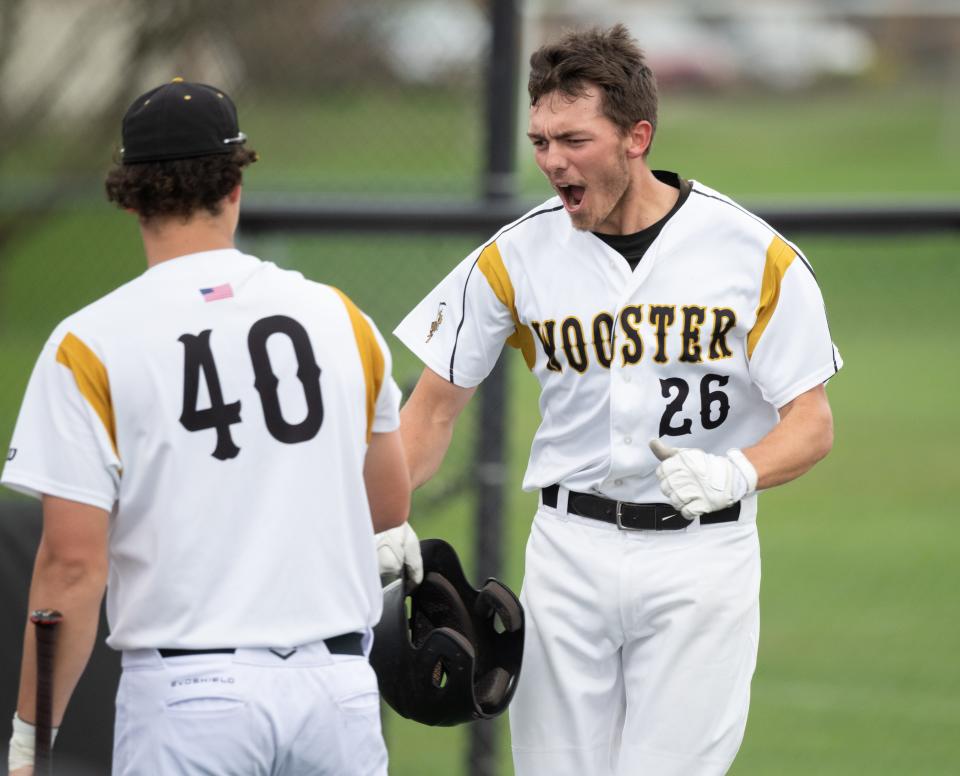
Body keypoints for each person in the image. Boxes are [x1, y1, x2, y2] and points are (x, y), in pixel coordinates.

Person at [390, 24, 841, 776]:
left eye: (573, 139)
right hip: (570, 552)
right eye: (539, 141)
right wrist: (383, 516)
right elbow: (432, 409)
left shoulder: (752, 253)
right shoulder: (515, 255)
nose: (552, 161)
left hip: (703, 558)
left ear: (637, 136)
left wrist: (736, 472)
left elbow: (813, 423)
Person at [2, 78, 410, 775]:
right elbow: (387, 507)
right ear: (235, 186)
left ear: (128, 195)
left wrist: (31, 737)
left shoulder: (89, 344)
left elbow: (72, 565)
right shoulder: (341, 318)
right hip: (335, 691)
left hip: (191, 697)